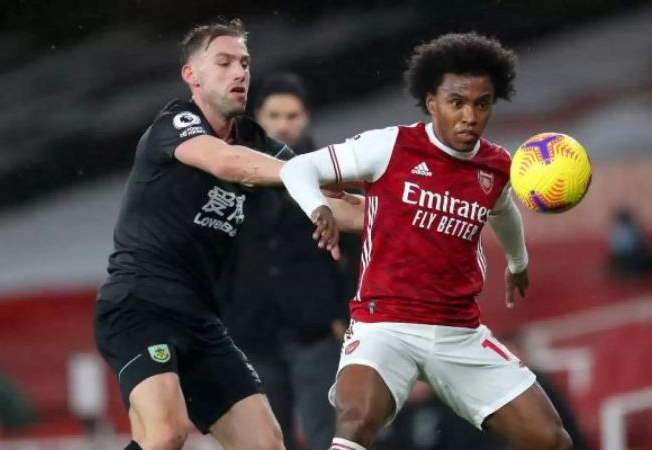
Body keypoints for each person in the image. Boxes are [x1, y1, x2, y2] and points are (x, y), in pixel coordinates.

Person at [281, 32, 572, 450]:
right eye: (457, 103)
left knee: (551, 440)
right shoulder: (390, 146)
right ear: (432, 102)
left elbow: (504, 211)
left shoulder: (496, 167)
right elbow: (298, 170)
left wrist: (518, 262)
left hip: (459, 332)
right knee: (356, 423)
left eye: (482, 103)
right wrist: (319, 209)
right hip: (386, 324)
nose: (470, 115)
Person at [93, 19, 361, 450]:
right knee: (165, 434)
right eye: (224, 62)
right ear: (191, 75)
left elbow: (335, 205)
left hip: (201, 320)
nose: (240, 73)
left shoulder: (256, 140)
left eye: (245, 63)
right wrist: (303, 177)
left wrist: (411, 214)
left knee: (266, 445)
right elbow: (227, 164)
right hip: (139, 307)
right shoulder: (174, 123)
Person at [222, 73, 357, 450]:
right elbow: (216, 252)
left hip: (316, 332)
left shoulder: (333, 177)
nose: (283, 124)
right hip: (252, 332)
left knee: (328, 437)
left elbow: (363, 249)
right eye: (274, 115)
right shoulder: (233, 176)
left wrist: (346, 314)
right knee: (265, 440)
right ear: (258, 117)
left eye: (292, 115)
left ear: (307, 117)